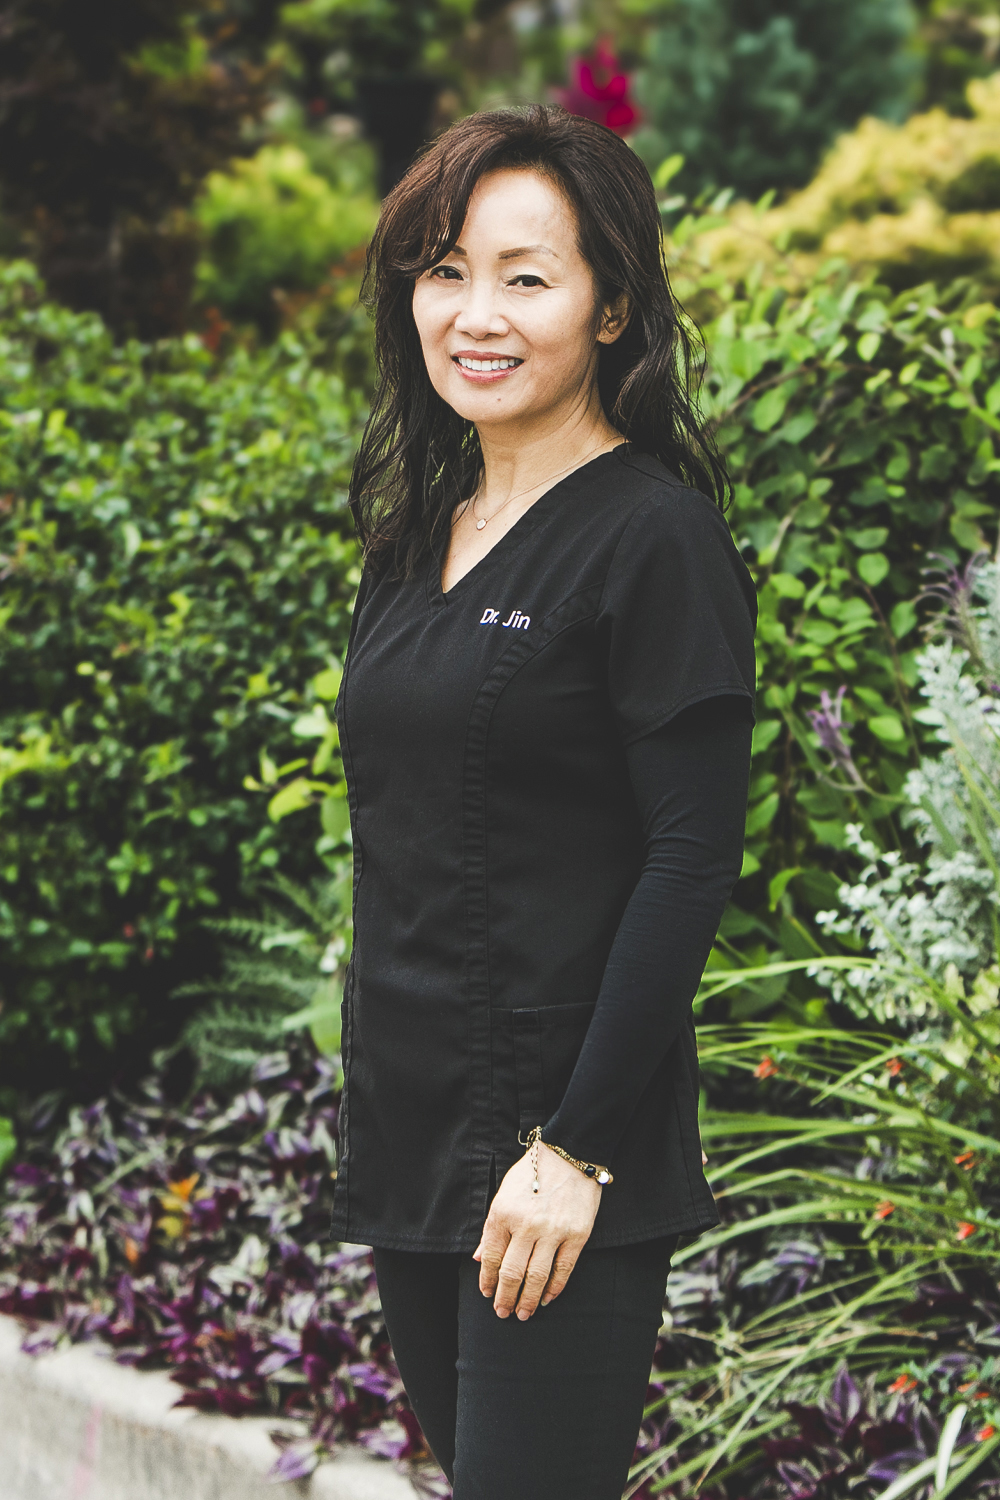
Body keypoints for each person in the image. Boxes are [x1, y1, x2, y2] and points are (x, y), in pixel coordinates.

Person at [332, 104, 756, 1500]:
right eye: (447, 269)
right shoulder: (416, 534)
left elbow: (690, 858)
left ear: (614, 304)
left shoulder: (654, 538)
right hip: (411, 1126)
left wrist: (575, 1148)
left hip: (557, 1153)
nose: (476, 313)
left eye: (529, 274)